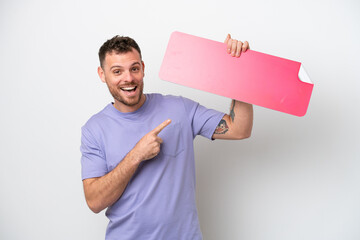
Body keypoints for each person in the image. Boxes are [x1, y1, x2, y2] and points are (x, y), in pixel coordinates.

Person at [80, 33, 253, 240]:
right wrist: (136, 155)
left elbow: (239, 129)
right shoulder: (94, 129)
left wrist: (239, 67)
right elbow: (94, 202)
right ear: (102, 74)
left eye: (134, 68)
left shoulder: (179, 108)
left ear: (143, 68)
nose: (128, 78)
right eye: (117, 71)